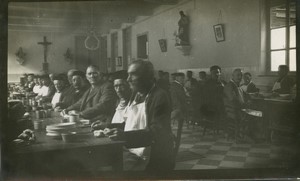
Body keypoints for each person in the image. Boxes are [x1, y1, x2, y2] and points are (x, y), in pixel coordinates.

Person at [108, 60, 175, 171]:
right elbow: (131, 123)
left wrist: (125, 136)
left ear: (147, 76)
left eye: (133, 75)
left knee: (111, 170)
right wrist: (107, 126)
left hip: (154, 155)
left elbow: (157, 132)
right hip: (135, 148)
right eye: (128, 75)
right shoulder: (137, 93)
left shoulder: (159, 96)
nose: (128, 79)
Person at [170, 72, 187, 154]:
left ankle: (176, 148)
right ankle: (175, 149)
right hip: (177, 111)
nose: (183, 79)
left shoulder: (179, 85)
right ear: (176, 78)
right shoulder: (174, 86)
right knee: (177, 130)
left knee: (179, 131)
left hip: (180, 110)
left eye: (183, 78)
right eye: (181, 78)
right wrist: (179, 110)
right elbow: (175, 100)